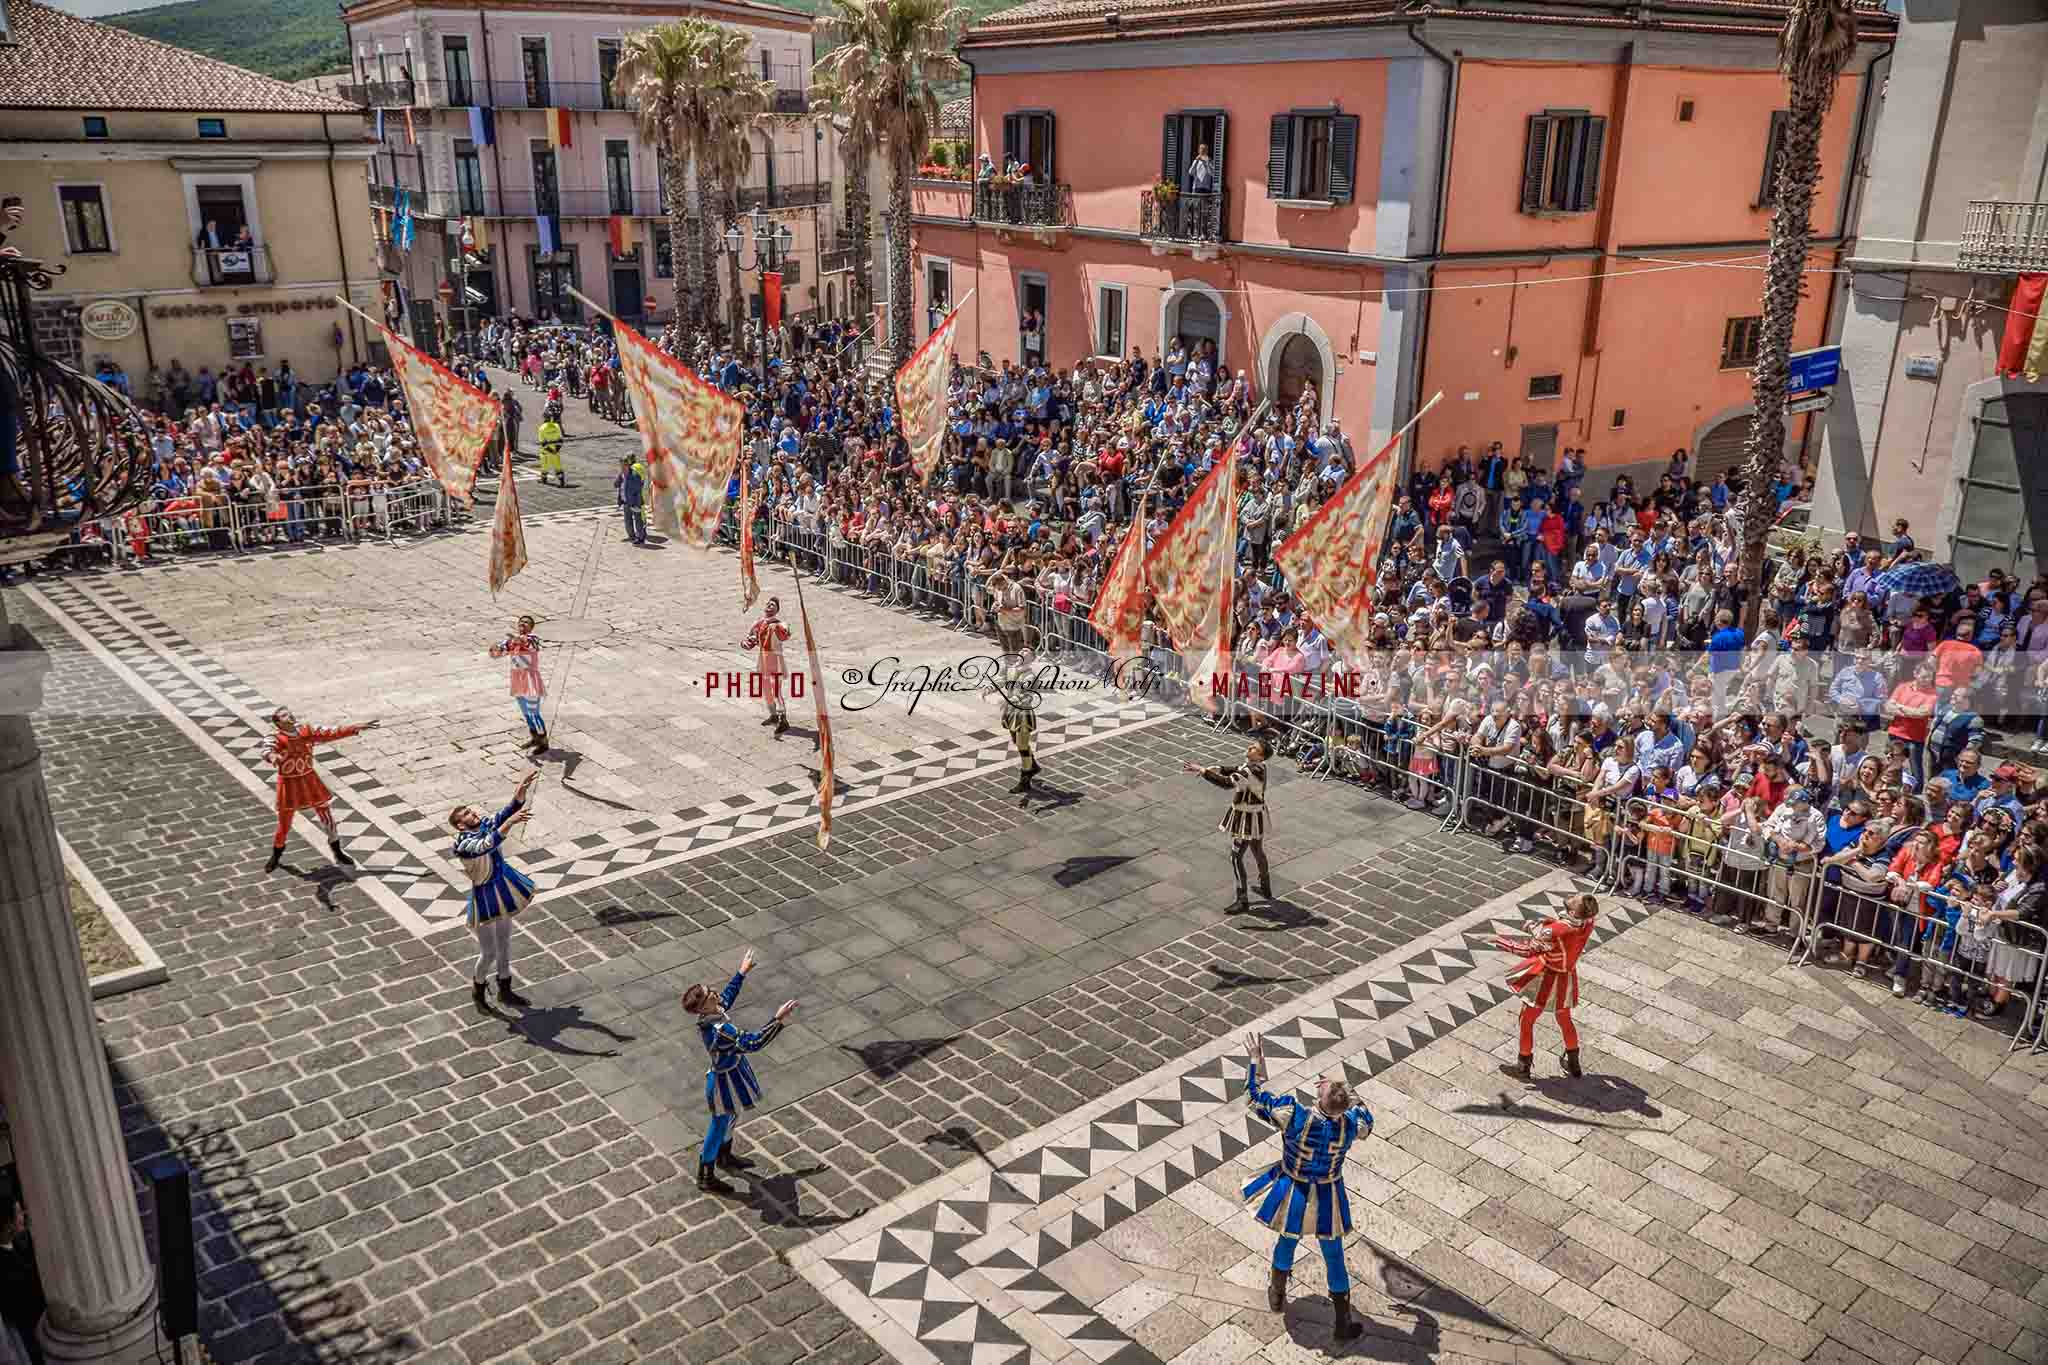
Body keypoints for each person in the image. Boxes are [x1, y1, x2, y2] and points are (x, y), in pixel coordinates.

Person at [1240, 1030, 1374, 1342]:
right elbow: (1366, 1118)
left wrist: (1256, 1063)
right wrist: (1349, 1094)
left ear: (1318, 1097)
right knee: (1334, 1254)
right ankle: (1342, 1323)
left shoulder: (1294, 1115)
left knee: (1287, 1240)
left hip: (1294, 1189)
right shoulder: (1351, 1124)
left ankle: (1277, 1292)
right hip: (1328, 1193)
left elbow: (1253, 1096)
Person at [681, 948, 797, 1193]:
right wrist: (777, 1020)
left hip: (731, 1073)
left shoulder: (711, 1013)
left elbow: (727, 997)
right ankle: (706, 1175)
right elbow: (753, 1042)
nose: (715, 993)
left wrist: (741, 973)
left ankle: (725, 1156)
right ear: (702, 1008)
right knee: (719, 1123)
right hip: (724, 1081)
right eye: (709, 994)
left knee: (731, 1117)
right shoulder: (721, 1030)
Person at [451, 770, 539, 1010]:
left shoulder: (485, 825)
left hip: (503, 889)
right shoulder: (462, 844)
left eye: (471, 810)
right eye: (467, 813)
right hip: (485, 897)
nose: (473, 813)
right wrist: (509, 823)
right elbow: (485, 845)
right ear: (460, 824)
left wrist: (520, 792)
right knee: (488, 952)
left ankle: (505, 989)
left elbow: (505, 813)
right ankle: (478, 990)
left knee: (505, 944)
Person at [1493, 891, 1601, 1081]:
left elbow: (1528, 949)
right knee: (1564, 1019)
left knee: (1527, 1019)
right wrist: (1546, 923)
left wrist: (1499, 941)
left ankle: (1523, 1065)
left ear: (1574, 913)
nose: (1573, 897)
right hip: (1566, 977)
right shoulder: (1588, 923)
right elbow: (1559, 930)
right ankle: (1574, 1063)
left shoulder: (1555, 931)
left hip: (1547, 977)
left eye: (1575, 901)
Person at [262, 707, 378, 871]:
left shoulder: (306, 730)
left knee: (326, 815)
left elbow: (331, 732)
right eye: (284, 715)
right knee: (285, 823)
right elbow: (267, 749)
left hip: (309, 779)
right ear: (277, 721)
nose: (290, 716)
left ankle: (337, 849)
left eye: (289, 713)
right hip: (289, 783)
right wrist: (273, 757)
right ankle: (276, 853)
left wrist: (355, 727)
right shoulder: (274, 737)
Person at [1186, 740, 1273, 911]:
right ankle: (1265, 884)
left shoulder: (1249, 771)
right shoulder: (1259, 767)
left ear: (1260, 756)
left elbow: (1227, 783)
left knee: (1235, 857)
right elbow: (1236, 769)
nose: (1249, 747)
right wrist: (1218, 768)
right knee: (1256, 849)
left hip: (1247, 819)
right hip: (1257, 815)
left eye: (1254, 748)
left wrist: (1204, 771)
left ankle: (1242, 899)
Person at [489, 614, 548, 753]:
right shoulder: (512, 642)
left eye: (526, 622)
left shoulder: (533, 638)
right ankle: (535, 738)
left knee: (534, 712)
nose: (523, 624)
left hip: (530, 680)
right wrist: (495, 649)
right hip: (517, 680)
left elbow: (527, 642)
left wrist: (514, 641)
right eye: (521, 622)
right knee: (526, 712)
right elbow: (495, 653)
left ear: (531, 627)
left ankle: (543, 742)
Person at [0, 1178, 43, 1365]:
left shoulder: (20, 1243)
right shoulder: (3, 1266)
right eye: (18, 1213)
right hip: (31, 1338)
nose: (23, 1215)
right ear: (7, 1224)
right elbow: (19, 1309)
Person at [743, 596, 793, 736]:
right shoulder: (758, 623)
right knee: (766, 689)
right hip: (763, 658)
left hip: (775, 659)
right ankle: (773, 715)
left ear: (777, 610)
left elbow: (786, 634)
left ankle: (783, 719)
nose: (769, 606)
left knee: (776, 690)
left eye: (773, 605)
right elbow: (748, 639)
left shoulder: (779, 624)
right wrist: (748, 642)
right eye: (768, 604)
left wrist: (780, 628)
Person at [997, 656, 1041, 795]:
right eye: (1022, 649)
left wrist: (1011, 700)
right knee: (1017, 741)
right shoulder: (1012, 669)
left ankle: (1025, 780)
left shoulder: (1030, 676)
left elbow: (1028, 695)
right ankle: (1032, 765)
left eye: (1027, 651)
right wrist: (990, 687)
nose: (1022, 651)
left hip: (1022, 714)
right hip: (1011, 712)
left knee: (1022, 746)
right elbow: (1001, 680)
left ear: (1032, 658)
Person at [615, 456, 646, 545]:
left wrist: (637, 504)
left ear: (628, 465)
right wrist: (619, 477)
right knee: (628, 521)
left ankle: (640, 538)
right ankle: (631, 536)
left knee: (638, 521)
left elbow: (638, 490)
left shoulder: (634, 476)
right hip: (625, 501)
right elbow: (616, 485)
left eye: (623, 466)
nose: (621, 468)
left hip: (634, 502)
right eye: (620, 466)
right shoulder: (622, 475)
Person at [536, 408, 564, 486]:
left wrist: (551, 451)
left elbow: (543, 444)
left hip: (546, 452)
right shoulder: (556, 426)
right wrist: (556, 450)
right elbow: (560, 440)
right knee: (558, 466)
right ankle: (562, 481)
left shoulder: (542, 428)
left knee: (544, 467)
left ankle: (544, 480)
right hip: (556, 450)